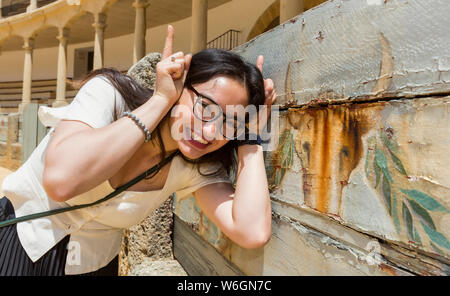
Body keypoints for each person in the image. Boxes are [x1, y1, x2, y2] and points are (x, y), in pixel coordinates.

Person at [0, 25, 277, 276]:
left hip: (93, 268)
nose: (209, 132)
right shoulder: (109, 94)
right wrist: (160, 100)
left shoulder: (196, 167)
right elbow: (61, 182)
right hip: (19, 245)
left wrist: (251, 141)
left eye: (230, 122)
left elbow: (251, 232)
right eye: (205, 108)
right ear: (181, 85)